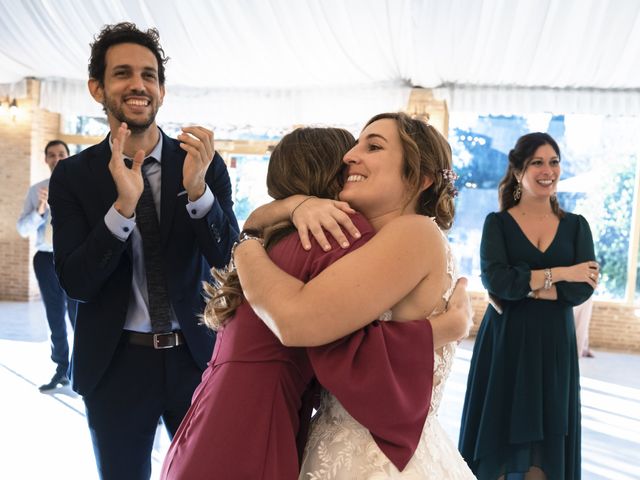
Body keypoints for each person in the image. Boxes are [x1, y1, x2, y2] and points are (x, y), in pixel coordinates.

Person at [161, 125, 472, 479]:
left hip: (228, 416)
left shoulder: (330, 236)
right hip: (256, 422)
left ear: (421, 177)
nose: (351, 156)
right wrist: (440, 329)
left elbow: (330, 338)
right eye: (353, 146)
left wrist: (253, 232)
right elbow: (324, 334)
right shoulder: (333, 236)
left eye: (373, 146)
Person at [48, 22, 238, 480]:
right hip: (114, 366)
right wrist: (123, 207)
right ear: (98, 88)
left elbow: (230, 262)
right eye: (123, 74)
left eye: (149, 75)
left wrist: (198, 193)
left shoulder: (201, 163)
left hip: (193, 358)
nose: (139, 84)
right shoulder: (73, 176)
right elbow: (76, 282)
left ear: (161, 90)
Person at [458, 132, 598, 480]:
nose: (547, 169)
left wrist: (528, 286)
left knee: (547, 447)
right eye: (537, 162)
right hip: (506, 342)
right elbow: (498, 283)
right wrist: (562, 273)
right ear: (519, 170)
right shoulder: (498, 224)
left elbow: (583, 289)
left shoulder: (578, 226)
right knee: (502, 438)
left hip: (554, 344)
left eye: (553, 161)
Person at [17, 140, 77, 391]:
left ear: (68, 156)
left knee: (79, 318)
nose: (57, 158)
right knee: (55, 318)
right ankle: (61, 369)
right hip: (45, 258)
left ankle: (79, 370)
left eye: (61, 154)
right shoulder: (37, 190)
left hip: (75, 258)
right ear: (46, 159)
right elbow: (23, 230)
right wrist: (40, 210)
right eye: (52, 155)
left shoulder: (81, 188)